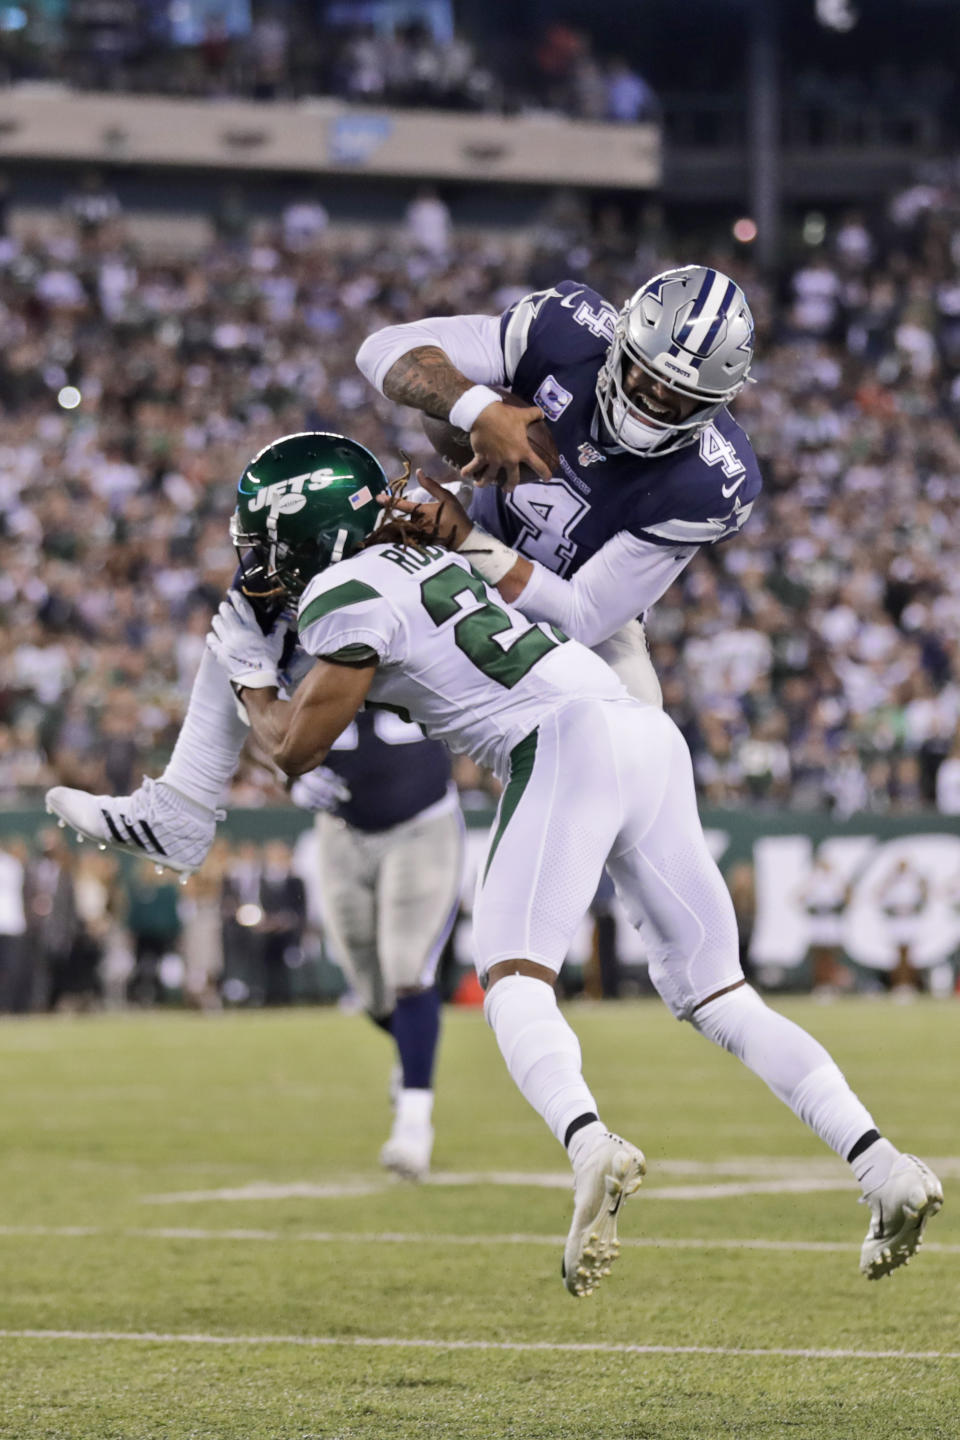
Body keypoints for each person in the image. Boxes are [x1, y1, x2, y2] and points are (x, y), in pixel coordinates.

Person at [206, 433, 937, 1294]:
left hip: (564, 742)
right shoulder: (419, 556)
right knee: (723, 996)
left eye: (263, 537)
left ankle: (590, 1142)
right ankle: (880, 1162)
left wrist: (249, 674)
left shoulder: (343, 592)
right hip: (640, 730)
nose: (255, 558)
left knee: (513, 976)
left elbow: (295, 746)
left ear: (309, 530)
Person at [44, 265, 759, 876]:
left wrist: (464, 539)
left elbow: (581, 615)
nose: (652, 402)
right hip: (469, 537)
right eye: (644, 375)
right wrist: (477, 408)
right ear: (624, 338)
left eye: (681, 398)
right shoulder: (567, 330)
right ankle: (184, 806)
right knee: (292, 526)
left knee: (639, 804)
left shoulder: (712, 480)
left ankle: (687, 960)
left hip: (578, 622)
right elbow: (382, 349)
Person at [291, 709, 463, 1179]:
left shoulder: (417, 636)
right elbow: (260, 716)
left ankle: (413, 1125)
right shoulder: (298, 643)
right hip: (341, 829)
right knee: (368, 987)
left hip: (421, 824)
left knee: (407, 969)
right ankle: (409, 1058)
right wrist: (286, 772)